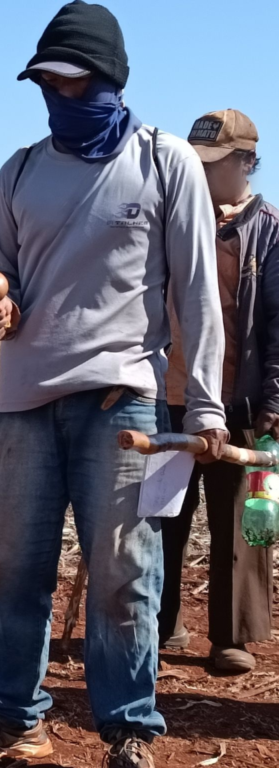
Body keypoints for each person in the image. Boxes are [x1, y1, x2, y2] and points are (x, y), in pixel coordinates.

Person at [0, 3, 227, 768]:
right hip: (24, 404)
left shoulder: (165, 163)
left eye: (75, 83)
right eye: (47, 84)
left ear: (111, 81)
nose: (61, 98)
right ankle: (10, 719)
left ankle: (129, 728)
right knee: (6, 570)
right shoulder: (19, 171)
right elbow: (0, 302)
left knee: (126, 575)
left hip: (121, 401)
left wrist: (205, 404)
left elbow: (196, 293)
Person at [159, 110, 277, 674]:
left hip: (245, 402)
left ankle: (231, 637)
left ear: (246, 163)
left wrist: (275, 400)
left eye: (215, 164)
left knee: (244, 524)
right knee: (162, 519)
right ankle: (162, 624)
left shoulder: (269, 230)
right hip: (173, 394)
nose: (202, 174)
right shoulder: (176, 222)